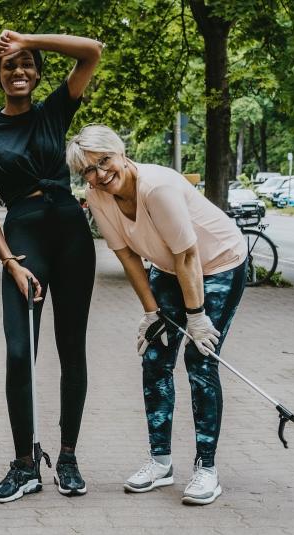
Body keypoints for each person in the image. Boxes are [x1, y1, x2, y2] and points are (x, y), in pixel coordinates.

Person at [65, 124, 247, 505]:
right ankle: (161, 462)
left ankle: (206, 469)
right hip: (167, 268)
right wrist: (152, 312)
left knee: (200, 359)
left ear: (121, 153)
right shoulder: (97, 197)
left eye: (105, 161)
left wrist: (195, 317)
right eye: (89, 170)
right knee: (155, 356)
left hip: (219, 264)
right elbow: (127, 256)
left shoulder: (158, 187)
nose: (100, 174)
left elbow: (188, 256)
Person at [0, 30, 102, 503]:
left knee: (72, 348)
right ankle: (24, 464)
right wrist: (8, 261)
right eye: (9, 65)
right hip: (23, 237)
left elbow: (92, 51)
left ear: (38, 74)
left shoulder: (53, 112)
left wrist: (25, 38)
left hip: (70, 233)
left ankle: (67, 456)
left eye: (27, 64)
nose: (19, 71)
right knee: (20, 352)